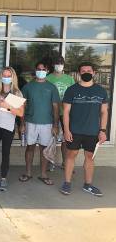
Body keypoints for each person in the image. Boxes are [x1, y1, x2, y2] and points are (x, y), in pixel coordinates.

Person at [60, 62, 108, 197]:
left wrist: (102, 130)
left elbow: (104, 112)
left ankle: (88, 185)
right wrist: (67, 130)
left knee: (90, 157)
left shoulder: (101, 91)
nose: (86, 72)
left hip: (92, 131)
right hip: (74, 130)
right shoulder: (71, 90)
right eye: (83, 70)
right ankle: (67, 183)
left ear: (94, 73)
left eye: (89, 70)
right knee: (71, 156)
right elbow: (66, 112)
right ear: (79, 73)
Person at [19, 62, 60, 185]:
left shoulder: (52, 87)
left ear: (47, 71)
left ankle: (43, 174)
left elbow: (56, 107)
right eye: (39, 69)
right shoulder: (27, 87)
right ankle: (28, 173)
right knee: (30, 147)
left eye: (43, 69)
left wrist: (56, 125)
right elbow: (22, 106)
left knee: (44, 149)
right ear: (35, 70)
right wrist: (22, 124)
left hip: (47, 123)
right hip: (30, 122)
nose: (41, 71)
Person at [46, 56, 75, 168]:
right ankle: (50, 162)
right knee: (50, 138)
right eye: (57, 63)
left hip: (65, 114)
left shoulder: (69, 79)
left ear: (64, 64)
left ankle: (65, 163)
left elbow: (74, 96)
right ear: (53, 64)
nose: (59, 65)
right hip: (51, 113)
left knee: (66, 139)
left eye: (61, 62)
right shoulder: (48, 78)